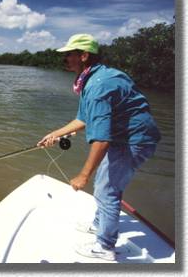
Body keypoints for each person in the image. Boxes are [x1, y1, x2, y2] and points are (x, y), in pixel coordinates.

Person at [37, 34, 161, 261]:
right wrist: (55, 134)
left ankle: (105, 247)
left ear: (84, 56)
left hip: (133, 140)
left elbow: (102, 140)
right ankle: (98, 224)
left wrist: (83, 175)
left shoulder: (97, 85)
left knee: (106, 190)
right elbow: (84, 119)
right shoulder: (95, 77)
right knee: (105, 183)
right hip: (125, 137)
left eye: (69, 55)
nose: (64, 60)